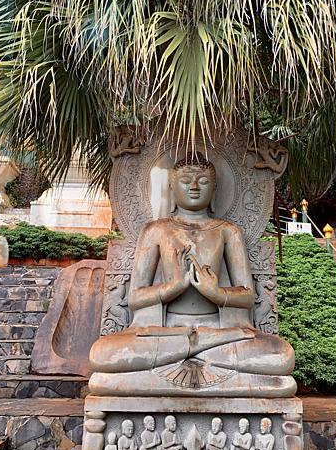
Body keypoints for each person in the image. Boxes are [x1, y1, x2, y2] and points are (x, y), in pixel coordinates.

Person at [88, 154, 296, 397]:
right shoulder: (155, 231)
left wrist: (217, 294)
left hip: (219, 332)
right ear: (172, 187)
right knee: (102, 354)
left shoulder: (229, 232)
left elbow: (248, 297)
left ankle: (189, 348)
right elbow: (134, 299)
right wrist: (173, 287)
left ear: (214, 188)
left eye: (203, 181)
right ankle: (198, 347)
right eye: (186, 180)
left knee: (282, 355)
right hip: (165, 331)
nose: (195, 187)